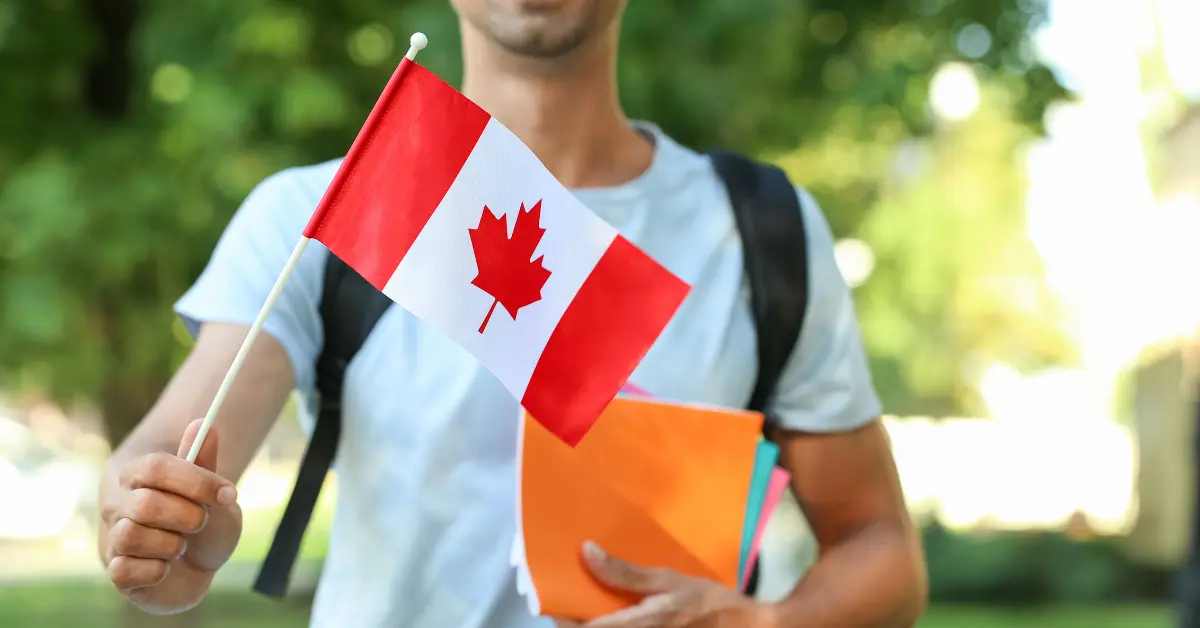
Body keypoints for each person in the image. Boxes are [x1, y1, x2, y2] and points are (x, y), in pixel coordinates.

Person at [97, 0, 927, 626]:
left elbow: (881, 549)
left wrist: (772, 624)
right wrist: (158, 526)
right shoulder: (320, 213)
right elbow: (181, 451)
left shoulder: (761, 230)